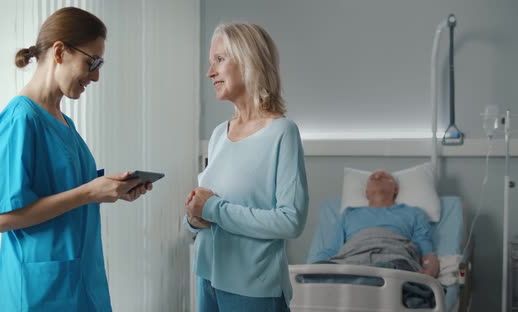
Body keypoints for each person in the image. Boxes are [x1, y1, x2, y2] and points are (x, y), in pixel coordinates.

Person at [0, 7, 152, 311]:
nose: (97, 76)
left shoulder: (64, 122)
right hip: (37, 293)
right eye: (92, 62)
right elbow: (3, 217)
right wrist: (90, 192)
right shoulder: (20, 119)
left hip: (77, 282)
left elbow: (68, 191)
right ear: (60, 52)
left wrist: (112, 190)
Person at [184, 23, 309, 312]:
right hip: (207, 281)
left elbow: (290, 221)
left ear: (249, 61)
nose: (210, 72)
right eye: (210, 62)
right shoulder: (218, 134)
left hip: (253, 290)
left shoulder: (282, 133)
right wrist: (194, 217)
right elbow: (205, 211)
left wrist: (213, 208)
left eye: (219, 59)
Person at [310, 170, 440, 277]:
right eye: (372, 178)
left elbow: (426, 251)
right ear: (366, 193)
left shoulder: (413, 213)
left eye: (385, 177)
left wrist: (428, 273)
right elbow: (331, 250)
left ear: (395, 189)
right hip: (352, 259)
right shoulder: (349, 214)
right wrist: (312, 271)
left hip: (395, 257)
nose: (377, 175)